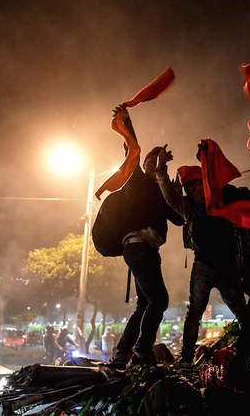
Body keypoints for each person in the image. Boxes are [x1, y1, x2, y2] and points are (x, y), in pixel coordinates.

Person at [104, 107, 183, 367]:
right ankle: (141, 350)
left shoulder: (163, 191)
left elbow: (180, 219)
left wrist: (177, 195)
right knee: (159, 299)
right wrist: (127, 121)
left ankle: (122, 353)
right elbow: (132, 150)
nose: (154, 165)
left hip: (148, 250)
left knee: (145, 304)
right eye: (152, 161)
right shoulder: (136, 181)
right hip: (138, 247)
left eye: (160, 162)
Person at [156, 147, 247, 363]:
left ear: (204, 184)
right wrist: (161, 169)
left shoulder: (221, 198)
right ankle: (186, 359)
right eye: (190, 188)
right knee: (194, 313)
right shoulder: (188, 207)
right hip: (203, 265)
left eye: (197, 185)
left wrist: (207, 161)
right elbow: (169, 196)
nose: (194, 191)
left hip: (226, 265)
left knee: (240, 309)